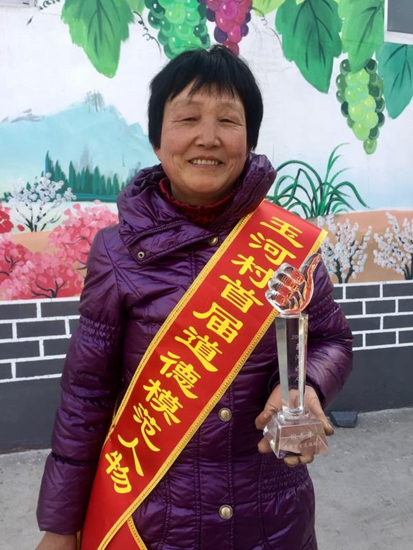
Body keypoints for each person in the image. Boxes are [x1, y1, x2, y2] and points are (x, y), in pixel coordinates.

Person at [35, 45, 353, 550]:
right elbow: (85, 398)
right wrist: (59, 527)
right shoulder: (116, 253)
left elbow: (331, 340)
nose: (208, 137)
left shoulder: (289, 245)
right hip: (156, 523)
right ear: (158, 139)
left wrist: (306, 386)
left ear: (249, 139)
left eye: (228, 120)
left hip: (273, 519)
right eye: (187, 118)